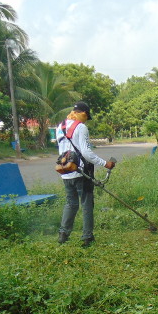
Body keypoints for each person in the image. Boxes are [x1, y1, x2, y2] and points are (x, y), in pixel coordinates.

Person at [56, 101, 116, 246]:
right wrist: (105, 163)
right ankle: (87, 237)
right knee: (87, 204)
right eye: (86, 117)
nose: (86, 121)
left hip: (66, 170)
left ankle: (63, 234)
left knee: (71, 203)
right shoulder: (81, 127)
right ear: (83, 114)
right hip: (81, 172)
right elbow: (86, 153)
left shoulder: (60, 126)